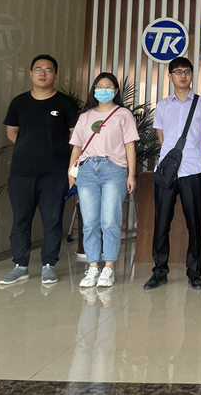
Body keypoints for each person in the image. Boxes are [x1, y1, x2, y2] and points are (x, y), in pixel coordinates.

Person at [0, 54, 78, 286]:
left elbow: (75, 136)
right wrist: (30, 147)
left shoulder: (65, 103)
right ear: (31, 73)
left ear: (56, 75)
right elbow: (12, 132)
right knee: (21, 220)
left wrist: (54, 152)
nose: (43, 73)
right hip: (22, 172)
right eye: (38, 69)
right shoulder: (19, 102)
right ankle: (20, 266)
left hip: (55, 172)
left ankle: (48, 265)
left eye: (48, 70)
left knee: (52, 220)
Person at [144, 57, 201, 291]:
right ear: (170, 76)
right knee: (161, 222)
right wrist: (173, 161)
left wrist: (192, 155)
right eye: (178, 72)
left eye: (187, 71)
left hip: (193, 170)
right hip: (167, 172)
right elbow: (161, 138)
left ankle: (194, 272)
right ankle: (159, 271)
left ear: (192, 75)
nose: (182, 76)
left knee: (195, 223)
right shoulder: (163, 105)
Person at [68, 72, 139, 289]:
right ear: (94, 90)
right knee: (90, 222)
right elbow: (77, 146)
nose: (103, 90)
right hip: (87, 169)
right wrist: (71, 172)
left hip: (114, 169)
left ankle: (109, 267)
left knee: (109, 220)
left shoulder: (123, 114)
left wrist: (131, 174)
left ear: (116, 91)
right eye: (99, 86)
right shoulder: (85, 116)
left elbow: (129, 146)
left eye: (108, 87)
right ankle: (92, 267)